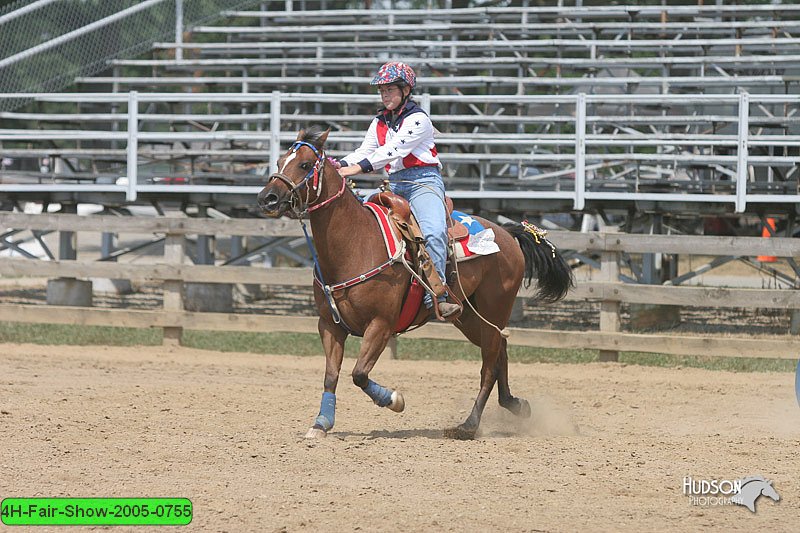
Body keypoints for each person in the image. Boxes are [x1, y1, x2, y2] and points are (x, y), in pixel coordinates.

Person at [336, 61, 461, 319]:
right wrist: (338, 164)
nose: (385, 95)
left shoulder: (418, 119)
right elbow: (365, 150)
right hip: (394, 185)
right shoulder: (379, 122)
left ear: (406, 90)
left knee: (434, 233)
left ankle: (438, 295)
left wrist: (356, 169)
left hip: (423, 183)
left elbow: (392, 151)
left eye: (390, 90)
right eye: (382, 91)